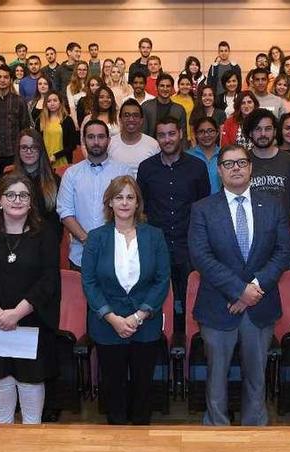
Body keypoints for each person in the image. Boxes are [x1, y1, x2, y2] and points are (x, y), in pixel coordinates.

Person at [188, 144, 290, 426]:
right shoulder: (203, 209)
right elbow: (201, 256)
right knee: (217, 377)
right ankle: (216, 433)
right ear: (219, 170)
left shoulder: (272, 206)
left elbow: (283, 252)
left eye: (241, 163)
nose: (236, 168)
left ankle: (254, 434)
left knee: (256, 378)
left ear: (250, 168)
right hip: (217, 306)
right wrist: (238, 290)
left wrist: (252, 290)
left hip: (260, 306)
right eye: (229, 164)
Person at [0, 173, 60, 425]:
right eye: (11, 194)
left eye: (23, 195)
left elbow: (49, 280)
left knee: (30, 384)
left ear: (31, 202)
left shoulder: (45, 233)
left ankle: (32, 447)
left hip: (32, 323)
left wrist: (17, 313)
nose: (17, 200)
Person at [80, 175, 170, 425]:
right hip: (107, 326)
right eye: (118, 197)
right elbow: (89, 283)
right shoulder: (96, 238)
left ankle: (141, 439)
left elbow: (162, 280)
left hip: (146, 326)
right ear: (109, 202)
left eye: (130, 197)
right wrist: (113, 318)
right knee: (113, 388)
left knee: (143, 388)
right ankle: (116, 440)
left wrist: (139, 315)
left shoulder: (154, 236)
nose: (124, 202)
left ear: (138, 202)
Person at [137, 117, 210, 320]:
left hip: (189, 245)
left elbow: (204, 207)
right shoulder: (146, 168)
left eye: (171, 133)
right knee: (158, 304)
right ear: (156, 138)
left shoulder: (197, 167)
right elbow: (140, 208)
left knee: (191, 301)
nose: (167, 139)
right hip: (156, 246)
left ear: (181, 134)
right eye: (161, 135)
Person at [57, 120, 132, 270]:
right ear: (84, 140)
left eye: (101, 137)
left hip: (117, 256)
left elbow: (130, 210)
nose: (96, 142)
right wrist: (87, 241)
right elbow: (65, 211)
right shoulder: (72, 174)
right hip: (81, 256)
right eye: (91, 137)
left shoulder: (123, 172)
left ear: (109, 140)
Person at [246, 109, 290, 222]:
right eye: (258, 129)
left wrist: (280, 220)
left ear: (275, 131)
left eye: (268, 129)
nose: (263, 134)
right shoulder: (242, 162)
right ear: (250, 133)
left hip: (282, 229)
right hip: (250, 228)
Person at [11, 129, 62, 237]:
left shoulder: (55, 181)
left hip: (46, 242)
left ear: (41, 150)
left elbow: (56, 223)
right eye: (24, 147)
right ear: (18, 150)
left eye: (34, 147)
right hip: (16, 241)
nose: (29, 151)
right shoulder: (8, 180)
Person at [109, 99, 161, 176]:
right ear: (120, 119)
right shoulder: (110, 144)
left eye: (135, 115)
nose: (131, 119)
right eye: (126, 115)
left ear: (141, 120)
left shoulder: (153, 144)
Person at [35, 91, 77, 171]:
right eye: (49, 101)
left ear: (60, 102)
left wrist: (55, 156)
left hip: (64, 162)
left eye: (55, 100)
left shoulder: (67, 120)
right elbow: (36, 142)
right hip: (44, 162)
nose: (52, 103)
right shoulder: (40, 120)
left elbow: (72, 145)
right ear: (45, 104)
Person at [141, 73, 187, 140]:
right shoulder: (146, 107)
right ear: (156, 88)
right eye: (162, 86)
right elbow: (143, 133)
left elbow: (183, 137)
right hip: (151, 148)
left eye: (168, 86)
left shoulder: (179, 110)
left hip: (172, 148)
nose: (165, 89)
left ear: (172, 89)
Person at [187, 116, 222, 193]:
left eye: (210, 131)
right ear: (195, 134)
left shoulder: (224, 155)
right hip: (196, 203)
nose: (206, 135)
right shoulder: (187, 156)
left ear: (217, 133)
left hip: (221, 202)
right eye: (201, 132)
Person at [171, 75, 196, 142]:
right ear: (178, 86)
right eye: (182, 84)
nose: (185, 86)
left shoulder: (195, 101)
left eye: (187, 84)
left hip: (191, 138)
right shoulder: (172, 100)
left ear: (191, 86)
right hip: (175, 137)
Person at [65, 61, 90, 126]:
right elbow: (72, 107)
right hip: (75, 117)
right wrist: (76, 123)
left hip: (89, 117)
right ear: (76, 71)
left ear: (87, 72)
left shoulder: (91, 85)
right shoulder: (70, 87)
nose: (82, 71)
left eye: (84, 70)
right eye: (79, 69)